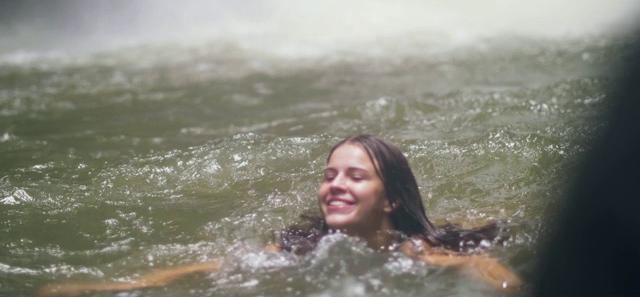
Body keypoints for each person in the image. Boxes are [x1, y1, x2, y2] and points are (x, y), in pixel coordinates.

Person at [37, 135, 523, 297]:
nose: (335, 185)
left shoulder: (426, 252)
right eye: (330, 175)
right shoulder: (303, 245)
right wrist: (117, 287)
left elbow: (487, 270)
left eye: (355, 176)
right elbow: (214, 267)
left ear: (390, 198)